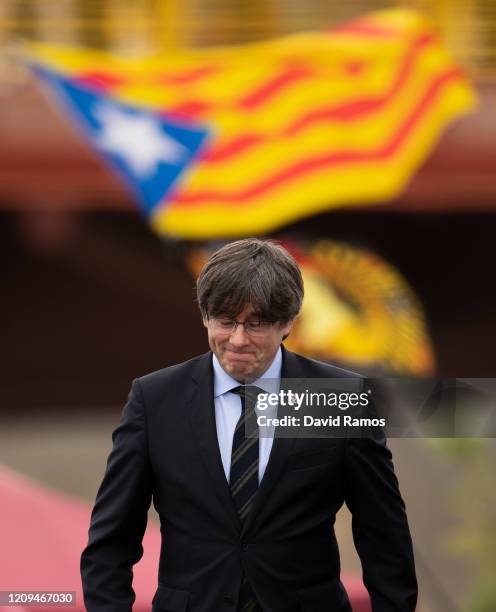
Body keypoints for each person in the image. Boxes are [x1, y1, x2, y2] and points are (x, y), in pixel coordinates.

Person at [81, 238, 417, 612]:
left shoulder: (338, 397)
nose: (238, 340)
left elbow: (383, 532)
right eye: (226, 321)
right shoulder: (155, 399)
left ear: (289, 321)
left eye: (256, 324)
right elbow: (112, 538)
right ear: (205, 315)